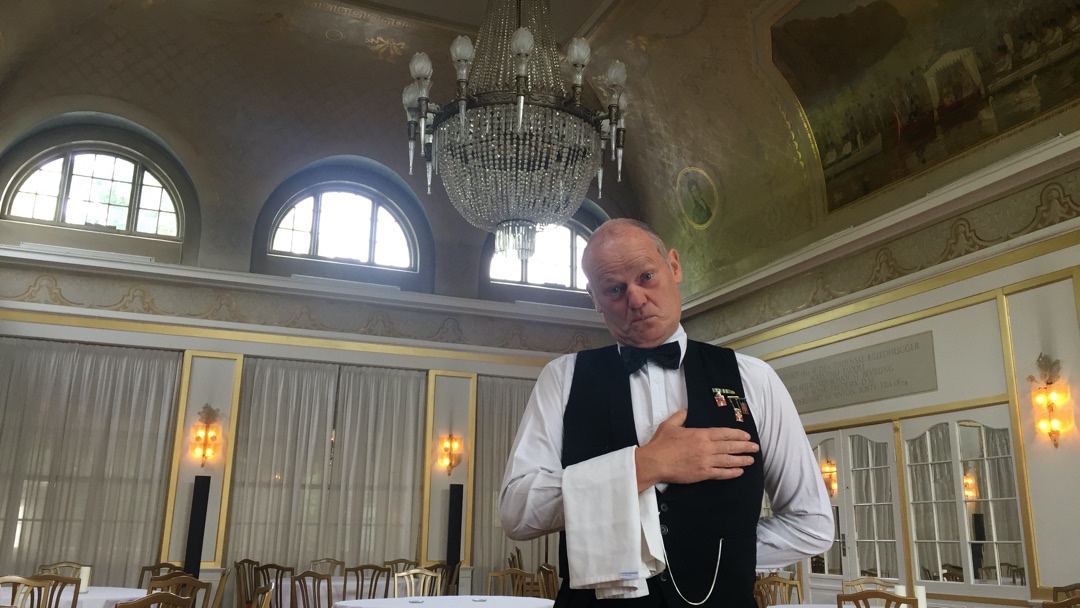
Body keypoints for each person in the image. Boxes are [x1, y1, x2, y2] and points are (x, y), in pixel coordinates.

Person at [499, 219, 833, 608]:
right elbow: (517, 512)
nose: (636, 298)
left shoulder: (753, 379)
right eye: (614, 289)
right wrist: (644, 465)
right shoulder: (563, 378)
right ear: (594, 298)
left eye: (646, 276)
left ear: (673, 266)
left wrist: (720, 557)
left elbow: (813, 522)